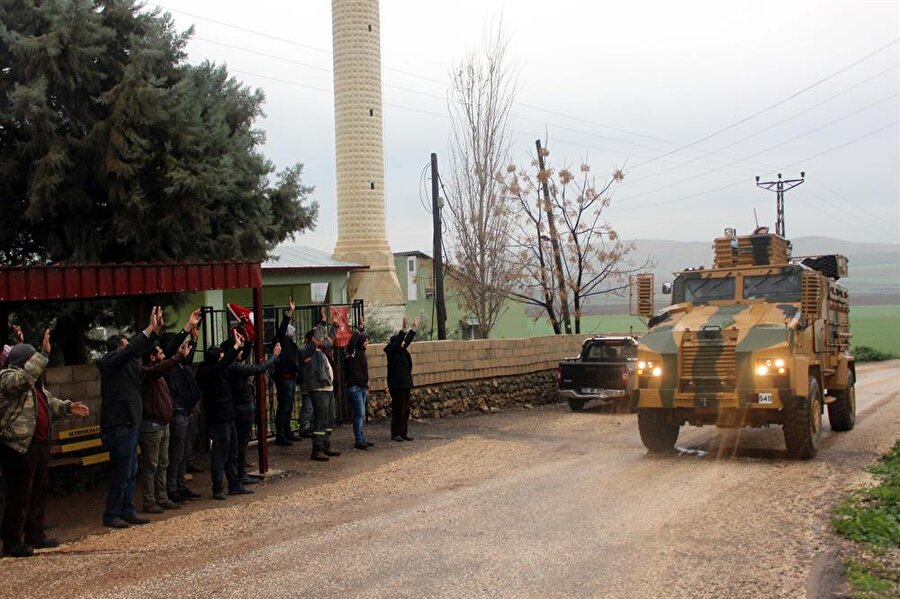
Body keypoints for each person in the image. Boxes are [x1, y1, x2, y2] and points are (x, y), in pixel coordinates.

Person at [0, 330, 89, 557]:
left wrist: (68, 407)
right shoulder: (7, 377)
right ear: (23, 362)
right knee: (18, 495)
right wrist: (43, 354)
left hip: (38, 444)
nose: (37, 364)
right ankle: (11, 542)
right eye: (32, 360)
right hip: (18, 446)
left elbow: (50, 401)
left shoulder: (34, 385)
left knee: (38, 491)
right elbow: (21, 381)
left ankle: (35, 535)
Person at [97, 306, 163, 529]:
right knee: (121, 471)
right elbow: (130, 351)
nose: (130, 350)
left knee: (131, 470)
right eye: (126, 346)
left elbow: (139, 352)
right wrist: (148, 329)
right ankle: (112, 513)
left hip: (130, 424)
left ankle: (126, 510)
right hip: (119, 425)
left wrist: (156, 332)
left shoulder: (129, 366)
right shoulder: (109, 363)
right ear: (117, 349)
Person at [196, 328, 253, 500]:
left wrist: (244, 343)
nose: (224, 359)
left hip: (228, 415)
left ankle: (234, 484)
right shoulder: (207, 372)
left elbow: (229, 361)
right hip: (218, 418)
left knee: (232, 452)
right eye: (221, 356)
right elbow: (225, 363)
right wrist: (235, 346)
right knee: (220, 455)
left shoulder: (219, 371)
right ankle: (218, 487)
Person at [138, 337, 189, 514]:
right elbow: (163, 367)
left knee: (163, 463)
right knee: (151, 465)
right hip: (151, 425)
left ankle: (162, 497)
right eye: (160, 353)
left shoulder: (158, 374)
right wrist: (178, 356)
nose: (163, 355)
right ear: (152, 357)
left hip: (162, 424)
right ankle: (150, 500)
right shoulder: (147, 373)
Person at [229, 338, 280, 485]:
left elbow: (246, 355)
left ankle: (239, 471)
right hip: (242, 407)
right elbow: (259, 368)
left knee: (240, 442)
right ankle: (240, 473)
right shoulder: (237, 368)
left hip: (242, 405)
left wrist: (248, 338)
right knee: (241, 442)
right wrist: (274, 356)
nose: (242, 352)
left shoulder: (233, 365)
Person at [163, 320, 203, 503]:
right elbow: (174, 352)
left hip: (187, 411)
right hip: (178, 412)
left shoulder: (181, 365)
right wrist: (187, 327)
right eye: (181, 345)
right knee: (176, 453)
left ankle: (179, 484)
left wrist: (194, 341)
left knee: (184, 452)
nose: (183, 348)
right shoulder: (169, 365)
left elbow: (187, 358)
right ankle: (172, 488)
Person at [300, 329, 340, 462]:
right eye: (319, 337)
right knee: (320, 419)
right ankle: (317, 449)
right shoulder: (308, 351)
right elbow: (314, 342)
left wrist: (334, 326)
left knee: (329, 419)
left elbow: (330, 340)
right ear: (313, 340)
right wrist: (320, 325)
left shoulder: (322, 350)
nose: (323, 339)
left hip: (328, 388)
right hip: (318, 389)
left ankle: (325, 444)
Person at [385, 316, 418, 442]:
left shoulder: (402, 351)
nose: (403, 343)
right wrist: (403, 329)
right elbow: (400, 341)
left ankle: (403, 432)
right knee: (398, 409)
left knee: (405, 409)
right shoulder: (391, 351)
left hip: (405, 384)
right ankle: (396, 433)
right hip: (396, 385)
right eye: (400, 342)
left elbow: (407, 340)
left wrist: (413, 328)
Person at [272, 298, 301, 445]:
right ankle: (281, 435)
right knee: (284, 407)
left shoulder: (290, 344)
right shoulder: (281, 340)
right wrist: (289, 313)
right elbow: (282, 328)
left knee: (288, 407)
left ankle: (287, 432)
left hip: (290, 376)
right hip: (284, 377)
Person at [344, 327, 373, 450]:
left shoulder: (362, 353)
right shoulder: (352, 352)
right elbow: (351, 343)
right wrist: (358, 330)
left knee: (361, 414)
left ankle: (362, 438)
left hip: (361, 387)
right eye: (365, 340)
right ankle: (359, 440)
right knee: (359, 413)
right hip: (354, 387)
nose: (367, 343)